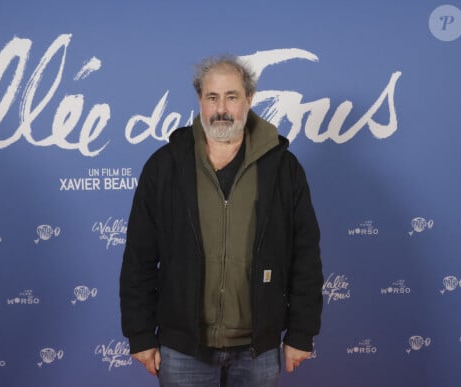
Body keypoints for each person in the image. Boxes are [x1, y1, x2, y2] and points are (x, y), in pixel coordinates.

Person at [120, 54, 323, 386]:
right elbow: (138, 258)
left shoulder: (283, 169)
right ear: (200, 100)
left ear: (248, 100)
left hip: (258, 350)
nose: (221, 108)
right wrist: (140, 334)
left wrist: (301, 332)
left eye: (232, 96)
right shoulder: (164, 166)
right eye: (212, 97)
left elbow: (305, 259)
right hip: (184, 349)